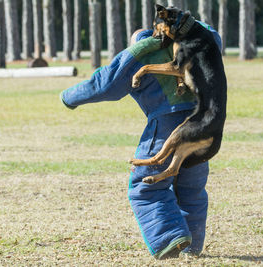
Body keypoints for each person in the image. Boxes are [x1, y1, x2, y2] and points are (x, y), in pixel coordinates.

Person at [60, 23, 222, 259]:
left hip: (167, 125)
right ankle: (192, 245)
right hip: (203, 123)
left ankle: (169, 237)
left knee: (144, 186)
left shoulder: (142, 52)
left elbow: (106, 84)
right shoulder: (198, 41)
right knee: (191, 188)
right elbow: (212, 33)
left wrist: (69, 97)